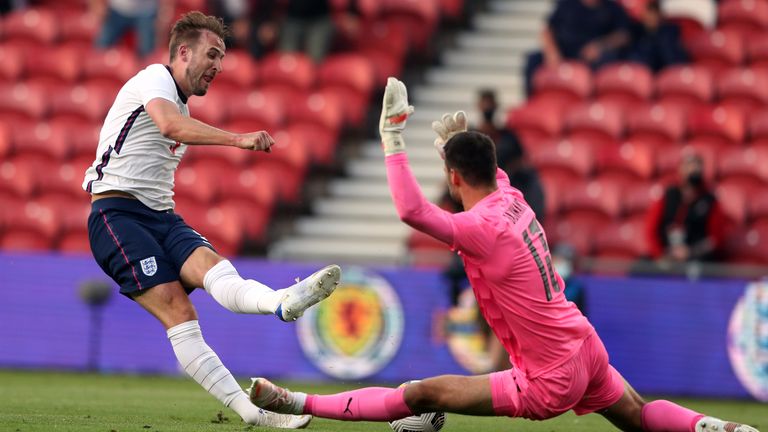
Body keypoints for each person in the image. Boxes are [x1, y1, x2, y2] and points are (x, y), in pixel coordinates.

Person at [247, 78, 759, 432]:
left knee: (422, 393)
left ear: (452, 179)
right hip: (584, 345)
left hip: (548, 378)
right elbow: (478, 170)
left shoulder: (478, 228)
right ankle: (710, 426)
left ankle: (294, 402)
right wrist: (455, 141)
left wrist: (392, 138)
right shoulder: (511, 197)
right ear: (494, 168)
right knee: (638, 415)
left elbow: (409, 210)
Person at [82, 11, 341, 428]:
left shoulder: (178, 99)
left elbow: (172, 124)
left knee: (217, 271)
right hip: (116, 215)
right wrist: (237, 139)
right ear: (183, 52)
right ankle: (252, 413)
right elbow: (169, 126)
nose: (219, 66)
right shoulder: (155, 79)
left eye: (222, 58)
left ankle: (281, 302)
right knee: (181, 315)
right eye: (213, 54)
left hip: (160, 216)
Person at [524, 0, 633, 96]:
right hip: (563, 51)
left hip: (590, 56)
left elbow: (623, 35)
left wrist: (600, 46)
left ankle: (591, 107)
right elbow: (547, 30)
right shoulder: (566, 4)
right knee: (533, 59)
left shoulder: (612, 8)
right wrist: (552, 51)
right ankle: (532, 101)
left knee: (604, 60)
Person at [645, 151, 726, 263]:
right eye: (689, 166)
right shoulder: (667, 196)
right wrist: (660, 255)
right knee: (641, 266)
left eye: (697, 165)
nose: (693, 170)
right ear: (680, 169)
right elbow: (650, 230)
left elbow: (716, 239)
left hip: (694, 256)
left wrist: (690, 252)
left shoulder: (709, 201)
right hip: (667, 254)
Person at [92, 0, 173, 58]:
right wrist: (97, 4)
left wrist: (164, 14)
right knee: (101, 46)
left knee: (147, 53)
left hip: (146, 11)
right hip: (116, 9)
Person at [627, 0, 689, 73]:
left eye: (652, 14)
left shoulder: (669, 33)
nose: (648, 18)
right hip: (643, 75)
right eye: (647, 14)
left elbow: (671, 61)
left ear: (659, 16)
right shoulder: (638, 33)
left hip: (666, 73)